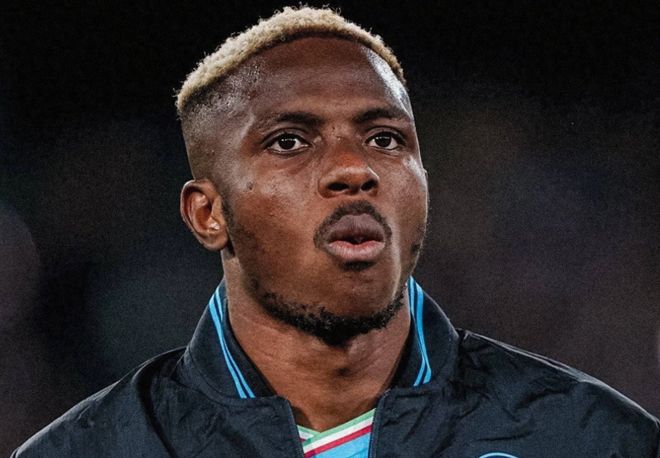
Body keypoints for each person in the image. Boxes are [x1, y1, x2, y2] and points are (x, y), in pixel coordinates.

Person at [14, 6, 659, 457]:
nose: (355, 169)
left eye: (385, 139)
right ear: (208, 215)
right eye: (290, 142)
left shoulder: (595, 439)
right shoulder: (89, 450)